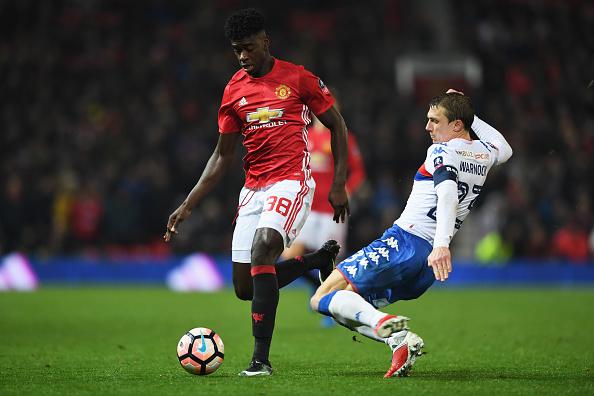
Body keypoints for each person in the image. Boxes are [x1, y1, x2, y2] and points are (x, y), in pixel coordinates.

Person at [163, 8, 350, 377]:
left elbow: (337, 125)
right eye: (237, 50)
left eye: (249, 48)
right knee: (245, 287)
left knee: (264, 247)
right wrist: (187, 205)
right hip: (253, 190)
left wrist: (340, 183)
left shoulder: (298, 78)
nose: (243, 56)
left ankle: (259, 360)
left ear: (266, 42)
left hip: (293, 180)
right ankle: (312, 263)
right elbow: (222, 155)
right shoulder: (234, 89)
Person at [310, 90, 513, 378]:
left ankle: (396, 333)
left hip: (404, 244)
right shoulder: (482, 154)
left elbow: (447, 195)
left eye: (435, 121)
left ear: (457, 125)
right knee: (348, 307)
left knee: (321, 298)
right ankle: (396, 340)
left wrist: (442, 245)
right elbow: (505, 149)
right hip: (425, 267)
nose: (428, 127)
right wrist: (471, 117)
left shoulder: (442, 151)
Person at [281, 90, 365, 325]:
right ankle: (317, 288)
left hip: (331, 211)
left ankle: (331, 307)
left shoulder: (342, 137)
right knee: (289, 256)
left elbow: (358, 170)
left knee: (331, 263)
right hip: (306, 209)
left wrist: (348, 189)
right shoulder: (305, 137)